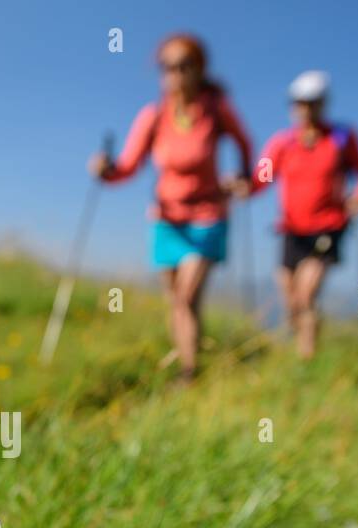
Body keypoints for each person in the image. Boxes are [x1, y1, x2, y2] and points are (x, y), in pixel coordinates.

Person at [90, 33, 252, 383]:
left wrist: (244, 177)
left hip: (208, 214)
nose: (175, 73)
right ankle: (189, 356)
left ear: (199, 69)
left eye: (184, 65)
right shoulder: (154, 115)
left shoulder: (216, 109)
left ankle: (188, 372)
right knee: (178, 302)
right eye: (167, 66)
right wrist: (107, 171)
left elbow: (245, 143)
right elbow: (129, 165)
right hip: (166, 219)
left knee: (186, 296)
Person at [244, 70, 358, 359]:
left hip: (328, 227)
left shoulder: (341, 139)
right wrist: (245, 187)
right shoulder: (282, 143)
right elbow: (262, 176)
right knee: (290, 297)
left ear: (323, 103)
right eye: (299, 103)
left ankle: (307, 356)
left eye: (311, 102)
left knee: (306, 294)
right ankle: (299, 343)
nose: (304, 109)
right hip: (291, 229)